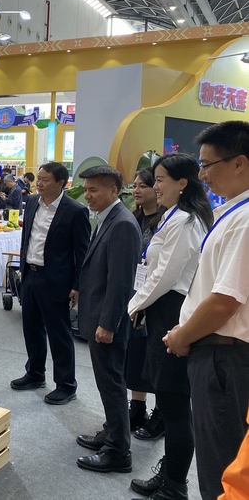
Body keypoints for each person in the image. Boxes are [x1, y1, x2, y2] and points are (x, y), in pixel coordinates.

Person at [165, 121, 249, 500]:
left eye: (207, 165)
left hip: (224, 357)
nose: (202, 175)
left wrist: (182, 336)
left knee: (221, 469)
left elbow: (225, 300)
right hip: (218, 353)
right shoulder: (233, 211)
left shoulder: (245, 219)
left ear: (239, 163)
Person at [127, 154, 212, 500]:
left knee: (175, 404)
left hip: (173, 311)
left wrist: (134, 304)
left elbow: (165, 274)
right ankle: (170, 475)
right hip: (163, 308)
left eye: (161, 180)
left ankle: (175, 484)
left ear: (183, 183)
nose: (155, 186)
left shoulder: (186, 221)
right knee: (169, 399)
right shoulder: (174, 215)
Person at [75, 166, 142, 474]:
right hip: (99, 315)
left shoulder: (123, 224)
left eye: (94, 190)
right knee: (106, 381)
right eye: (86, 190)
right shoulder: (108, 218)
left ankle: (118, 451)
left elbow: (121, 281)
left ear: (114, 190)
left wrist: (108, 323)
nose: (88, 196)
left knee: (112, 383)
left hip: (108, 320)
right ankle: (112, 432)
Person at [11, 162, 91, 405]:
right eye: (39, 179)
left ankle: (66, 385)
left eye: (45, 180)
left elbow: (82, 252)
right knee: (31, 328)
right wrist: (23, 268)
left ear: (61, 183)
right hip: (30, 275)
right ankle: (35, 373)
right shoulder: (32, 202)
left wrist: (77, 285)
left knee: (59, 333)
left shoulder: (75, 211)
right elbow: (27, 238)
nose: (39, 184)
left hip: (56, 279)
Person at [128, 168, 166, 438]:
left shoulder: (168, 221)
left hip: (160, 296)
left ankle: (160, 413)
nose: (137, 190)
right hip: (135, 294)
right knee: (136, 354)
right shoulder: (133, 219)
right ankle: (137, 406)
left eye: (144, 185)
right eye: (134, 185)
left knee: (158, 358)